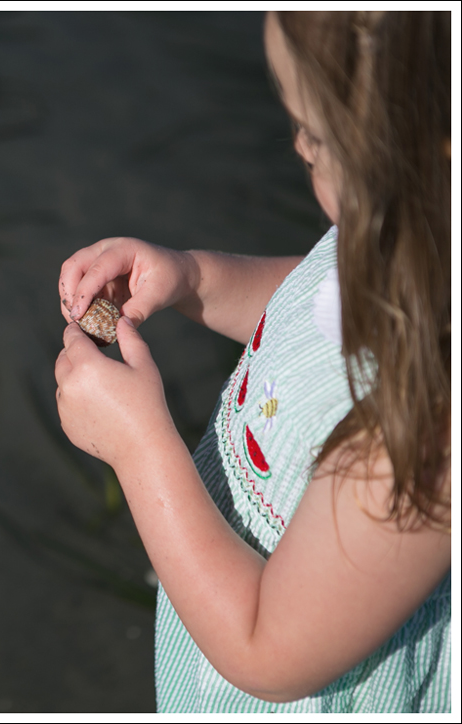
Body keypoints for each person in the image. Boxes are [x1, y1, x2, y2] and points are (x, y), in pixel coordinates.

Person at [54, 11, 451, 713]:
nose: (296, 144)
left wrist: (141, 448)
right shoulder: (417, 242)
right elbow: (316, 300)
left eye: (319, 135)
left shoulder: (426, 435)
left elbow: (265, 650)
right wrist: (192, 279)